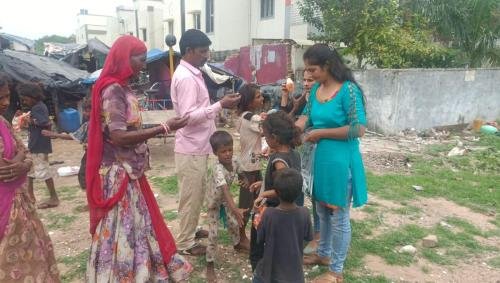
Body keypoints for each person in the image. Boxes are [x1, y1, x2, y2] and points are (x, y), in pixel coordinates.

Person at [85, 35, 192, 282]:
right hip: (119, 171)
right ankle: (122, 274)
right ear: (125, 57)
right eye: (141, 60)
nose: (144, 65)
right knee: (122, 227)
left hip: (131, 170)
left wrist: (163, 126)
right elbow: (120, 136)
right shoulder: (112, 90)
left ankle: (139, 271)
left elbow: (130, 128)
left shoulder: (123, 87)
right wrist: (163, 128)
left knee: (137, 225)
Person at [297, 43, 368, 283]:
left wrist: (321, 133)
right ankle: (324, 255)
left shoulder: (347, 91)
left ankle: (336, 271)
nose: (308, 75)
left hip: (340, 164)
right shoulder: (316, 89)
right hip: (320, 163)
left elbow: (358, 128)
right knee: (321, 211)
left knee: (338, 216)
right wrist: (293, 130)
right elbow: (307, 117)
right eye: (307, 70)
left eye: (312, 69)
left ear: (327, 66)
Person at [171, 29, 240, 256]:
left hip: (198, 145)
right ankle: (185, 243)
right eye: (202, 51)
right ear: (189, 51)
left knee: (197, 193)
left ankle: (189, 232)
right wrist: (220, 105)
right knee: (191, 196)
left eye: (207, 50)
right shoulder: (185, 77)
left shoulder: (194, 73)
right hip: (190, 147)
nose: (206, 55)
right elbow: (188, 117)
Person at [0, 73, 60, 282]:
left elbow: (22, 150)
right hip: (4, 207)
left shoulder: (3, 123)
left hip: (17, 206)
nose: (6, 103)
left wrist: (21, 164)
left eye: (7, 96)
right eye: (1, 98)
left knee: (28, 260)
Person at [248, 110, 303, 270]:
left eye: (265, 136)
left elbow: (284, 189)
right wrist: (263, 183)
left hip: (271, 210)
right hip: (288, 210)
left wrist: (264, 193)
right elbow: (284, 182)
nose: (265, 139)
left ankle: (260, 274)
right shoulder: (294, 154)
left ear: (275, 138)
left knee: (259, 248)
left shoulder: (279, 161)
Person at [253, 168, 312, 283]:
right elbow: (307, 238)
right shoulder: (304, 213)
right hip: (294, 274)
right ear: (299, 192)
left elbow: (260, 238)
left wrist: (257, 214)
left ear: (277, 193)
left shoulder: (269, 214)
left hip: (269, 272)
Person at [206, 130, 249, 282]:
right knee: (213, 233)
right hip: (214, 203)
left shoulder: (236, 161)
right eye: (223, 151)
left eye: (230, 149)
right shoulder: (217, 168)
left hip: (225, 201)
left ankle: (237, 244)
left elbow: (242, 173)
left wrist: (244, 180)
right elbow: (224, 190)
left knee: (233, 224)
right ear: (215, 153)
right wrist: (235, 209)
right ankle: (209, 264)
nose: (227, 154)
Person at [17, 82, 58, 209]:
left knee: (43, 170)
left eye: (25, 99)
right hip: (35, 144)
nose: (24, 102)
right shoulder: (37, 107)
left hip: (40, 145)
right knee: (30, 170)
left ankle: (53, 197)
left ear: (33, 96)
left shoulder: (38, 108)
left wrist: (30, 120)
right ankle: (31, 196)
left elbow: (44, 122)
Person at [236, 83, 264, 246]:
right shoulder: (252, 117)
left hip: (249, 165)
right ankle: (241, 238)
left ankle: (249, 234)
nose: (262, 99)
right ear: (249, 101)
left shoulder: (243, 116)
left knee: (254, 200)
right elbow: (266, 128)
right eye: (258, 96)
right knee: (247, 203)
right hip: (249, 167)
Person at [42, 97, 90, 191]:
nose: (85, 113)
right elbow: (74, 136)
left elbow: (73, 136)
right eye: (84, 110)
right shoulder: (88, 125)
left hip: (94, 156)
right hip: (89, 154)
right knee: (85, 176)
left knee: (85, 176)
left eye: (88, 110)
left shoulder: (93, 124)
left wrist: (54, 134)